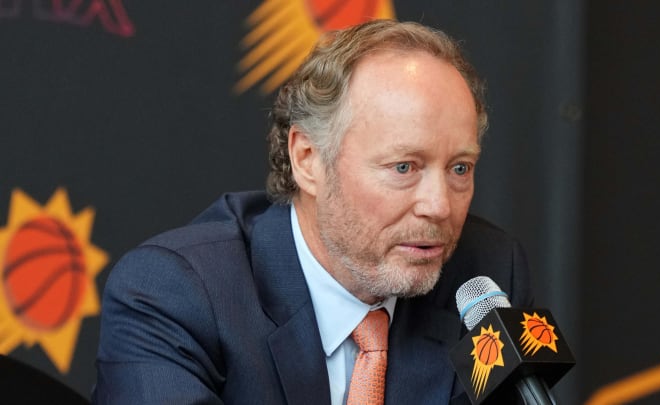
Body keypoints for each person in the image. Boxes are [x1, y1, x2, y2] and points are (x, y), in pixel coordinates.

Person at [93, 19, 533, 404]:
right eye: (404, 167)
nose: (439, 206)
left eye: (460, 168)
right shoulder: (175, 294)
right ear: (308, 159)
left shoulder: (487, 275)